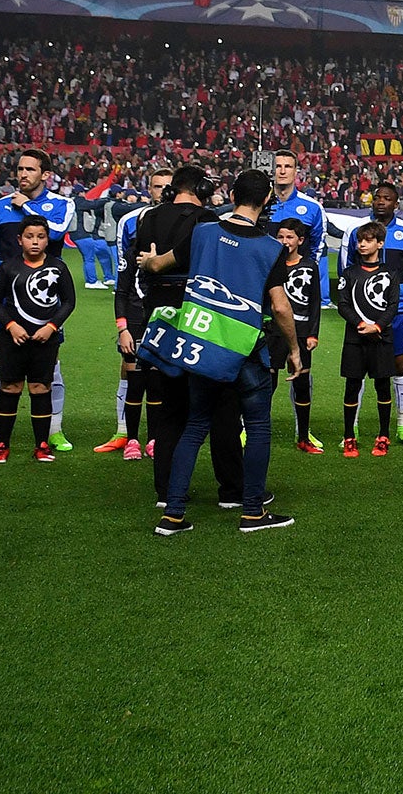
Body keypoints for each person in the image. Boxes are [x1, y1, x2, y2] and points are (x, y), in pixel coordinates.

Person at [144, 167, 300, 535]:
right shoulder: (270, 247)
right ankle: (252, 512)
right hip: (244, 350)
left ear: (231, 195)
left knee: (195, 425)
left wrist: (146, 262)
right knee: (259, 427)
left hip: (202, 347)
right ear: (266, 202)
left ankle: (174, 514)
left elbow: (161, 263)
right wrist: (294, 349)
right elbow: (279, 306)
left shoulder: (203, 232)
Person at [126, 165, 244, 509]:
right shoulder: (207, 219)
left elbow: (139, 267)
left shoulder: (147, 218)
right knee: (222, 405)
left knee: (170, 410)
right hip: (199, 314)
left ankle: (166, 490)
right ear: (201, 188)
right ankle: (231, 491)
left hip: (159, 317)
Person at [0, 149, 75, 454]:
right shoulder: (0, 207)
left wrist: (30, 207)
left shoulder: (61, 204)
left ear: (45, 174)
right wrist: (7, 278)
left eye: (30, 169)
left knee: (50, 368)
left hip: (45, 303)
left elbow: (58, 233)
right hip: (7, 303)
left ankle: (53, 432)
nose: (23, 174)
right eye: (20, 169)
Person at [0, 216, 75, 463]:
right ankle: (2, 444)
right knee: (10, 387)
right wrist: (11, 325)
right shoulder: (7, 267)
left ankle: (42, 445)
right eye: (29, 236)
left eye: (41, 237)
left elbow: (69, 301)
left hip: (45, 340)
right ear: (19, 239)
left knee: (40, 388)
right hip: (12, 339)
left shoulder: (58, 268)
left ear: (47, 240)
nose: (35, 242)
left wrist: (52, 327)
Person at [339, 181, 403, 445]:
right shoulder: (355, 230)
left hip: (395, 313)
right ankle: (353, 430)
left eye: (387, 198)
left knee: (399, 366)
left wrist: (394, 293)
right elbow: (346, 267)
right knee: (357, 370)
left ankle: (402, 427)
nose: (381, 202)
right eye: (377, 198)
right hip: (361, 315)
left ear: (396, 203)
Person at [94, 169, 169, 458]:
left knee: (161, 379)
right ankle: (127, 435)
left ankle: (157, 437)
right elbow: (124, 281)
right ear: (148, 189)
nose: (162, 191)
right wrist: (122, 325)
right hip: (136, 315)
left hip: (165, 316)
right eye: (157, 186)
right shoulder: (130, 222)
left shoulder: (183, 225)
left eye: (167, 186)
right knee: (132, 375)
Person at [336, 222, 397, 458]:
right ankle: (349, 436)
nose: (362, 244)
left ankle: (383, 435)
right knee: (352, 386)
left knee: (382, 386)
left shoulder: (390, 273)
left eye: (368, 240)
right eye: (360, 240)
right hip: (355, 339)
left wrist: (378, 326)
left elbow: (393, 305)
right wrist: (362, 325)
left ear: (380, 244)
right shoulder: (350, 273)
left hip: (382, 338)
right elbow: (342, 304)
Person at [276, 219, 325, 452]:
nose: (285, 242)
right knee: (266, 383)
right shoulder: (271, 265)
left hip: (302, 331)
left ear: (300, 240)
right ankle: (247, 429)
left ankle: (303, 435)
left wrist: (313, 333)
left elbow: (315, 301)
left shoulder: (309, 266)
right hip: (274, 332)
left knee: (302, 383)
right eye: (281, 237)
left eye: (290, 237)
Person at [268, 151, 331, 306]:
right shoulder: (260, 204)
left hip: (298, 283)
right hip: (265, 279)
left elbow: (318, 246)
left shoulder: (313, 207)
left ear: (295, 171)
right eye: (278, 166)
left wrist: (307, 272)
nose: (282, 171)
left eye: (288, 166)